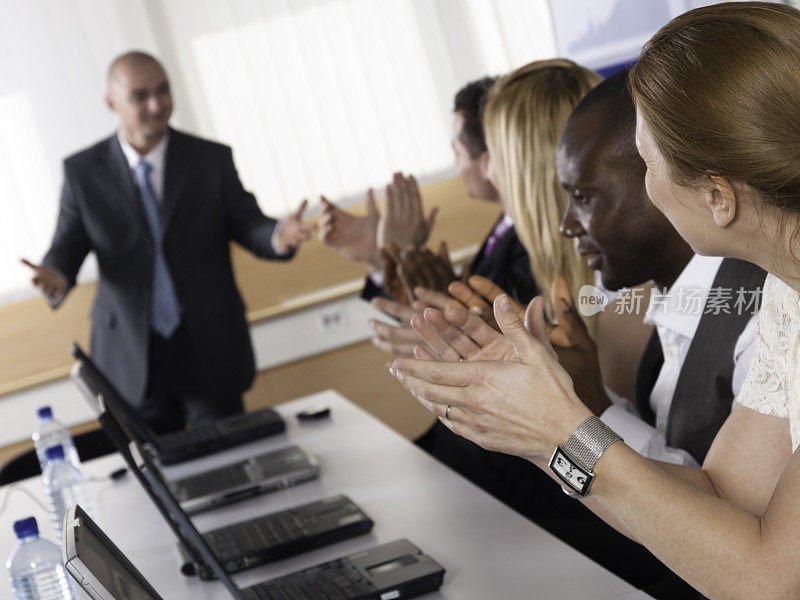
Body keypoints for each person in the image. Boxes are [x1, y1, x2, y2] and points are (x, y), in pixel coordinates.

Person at [392, 3, 800, 598]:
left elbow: (768, 580)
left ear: (718, 195)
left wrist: (558, 430)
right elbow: (723, 499)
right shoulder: (789, 296)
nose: (652, 193)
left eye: (649, 164)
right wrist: (542, 428)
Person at [23, 51, 313, 433]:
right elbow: (67, 248)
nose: (157, 105)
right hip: (130, 355)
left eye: (163, 91)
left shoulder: (210, 159)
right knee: (156, 478)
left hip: (208, 346)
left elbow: (248, 223)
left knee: (227, 471)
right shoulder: (83, 172)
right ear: (112, 104)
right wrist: (57, 277)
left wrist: (278, 235)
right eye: (140, 96)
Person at [318, 77, 539, 355]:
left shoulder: (534, 240)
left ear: (490, 157)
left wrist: (398, 253)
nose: (455, 166)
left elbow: (508, 333)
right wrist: (380, 256)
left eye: (457, 152)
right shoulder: (505, 225)